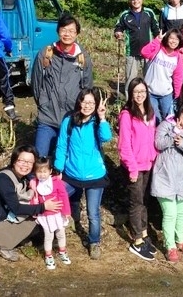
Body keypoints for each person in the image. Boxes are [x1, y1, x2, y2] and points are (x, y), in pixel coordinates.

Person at [0, 144, 62, 262]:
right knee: (40, 218)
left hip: (3, 219)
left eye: (30, 162)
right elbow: (16, 208)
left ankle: (24, 238)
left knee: (37, 213)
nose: (25, 165)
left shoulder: (21, 177)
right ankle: (1, 246)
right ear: (14, 160)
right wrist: (43, 207)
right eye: (22, 161)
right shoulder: (4, 180)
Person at [54, 88, 111, 260]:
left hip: (95, 175)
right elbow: (62, 144)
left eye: (91, 103)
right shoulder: (69, 121)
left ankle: (94, 242)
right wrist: (58, 169)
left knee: (93, 213)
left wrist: (102, 118)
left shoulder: (96, 122)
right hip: (71, 173)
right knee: (56, 200)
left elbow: (106, 138)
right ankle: (55, 235)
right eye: (84, 102)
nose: (87, 106)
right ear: (79, 102)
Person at [31, 13, 93, 160]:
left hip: (72, 116)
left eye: (71, 31)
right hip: (48, 116)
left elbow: (87, 87)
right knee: (41, 158)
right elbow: (36, 83)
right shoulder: (46, 54)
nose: (67, 34)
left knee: (68, 158)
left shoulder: (82, 57)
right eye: (64, 30)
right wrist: (43, 103)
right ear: (58, 31)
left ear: (77, 33)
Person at [117, 78, 159, 261]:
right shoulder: (127, 114)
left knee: (144, 201)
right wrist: (132, 168)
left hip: (149, 164)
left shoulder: (150, 112)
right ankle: (137, 240)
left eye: (142, 91)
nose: (140, 95)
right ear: (131, 94)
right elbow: (124, 145)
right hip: (134, 166)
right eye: (136, 92)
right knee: (136, 203)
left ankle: (143, 233)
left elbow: (153, 138)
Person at [151, 104, 183, 263]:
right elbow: (158, 143)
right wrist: (173, 134)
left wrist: (182, 143)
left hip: (181, 179)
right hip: (164, 177)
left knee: (181, 212)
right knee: (169, 213)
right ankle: (169, 245)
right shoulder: (166, 124)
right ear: (180, 112)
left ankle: (181, 240)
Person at [114, 0, 160, 98]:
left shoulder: (149, 13)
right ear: (130, 1)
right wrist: (118, 32)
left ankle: (149, 100)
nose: (136, 1)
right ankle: (129, 101)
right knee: (130, 78)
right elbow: (118, 27)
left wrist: (158, 43)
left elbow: (156, 29)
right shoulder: (125, 15)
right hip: (132, 52)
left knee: (149, 78)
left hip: (148, 52)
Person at [29, 158, 72, 270]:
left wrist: (66, 211)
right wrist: (35, 210)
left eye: (45, 172)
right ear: (35, 172)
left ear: (50, 171)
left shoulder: (56, 182)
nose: (42, 175)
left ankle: (62, 251)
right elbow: (33, 198)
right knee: (48, 236)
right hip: (45, 215)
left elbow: (64, 196)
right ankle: (48, 255)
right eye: (39, 172)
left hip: (58, 214)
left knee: (61, 233)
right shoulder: (34, 184)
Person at [140, 29, 183, 124]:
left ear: (179, 41)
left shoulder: (177, 57)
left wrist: (177, 96)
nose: (173, 41)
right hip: (150, 92)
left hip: (166, 94)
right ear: (166, 38)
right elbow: (144, 52)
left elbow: (178, 78)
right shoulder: (158, 49)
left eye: (176, 39)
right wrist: (157, 40)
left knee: (168, 118)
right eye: (171, 38)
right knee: (155, 119)